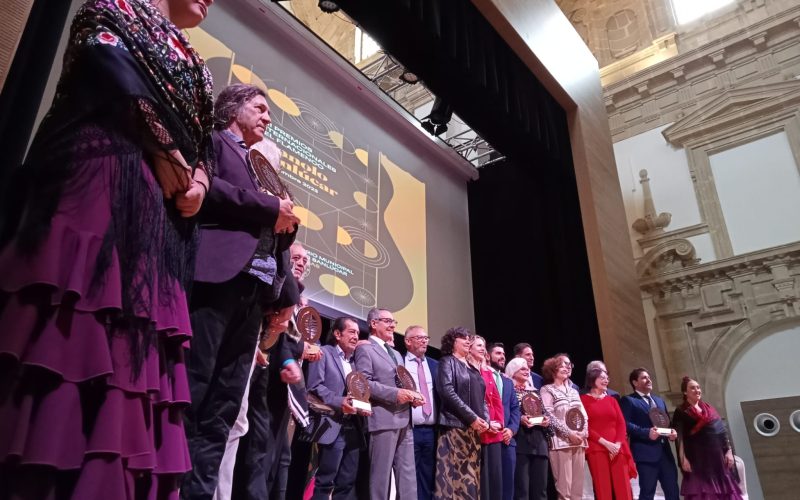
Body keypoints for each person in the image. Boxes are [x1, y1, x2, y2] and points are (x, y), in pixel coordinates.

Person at [0, 0, 214, 497]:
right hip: (97, 183)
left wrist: (198, 180)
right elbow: (107, 64)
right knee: (72, 326)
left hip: (157, 220)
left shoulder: (198, 64)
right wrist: (165, 149)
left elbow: (202, 142)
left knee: (133, 356)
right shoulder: (111, 6)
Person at [182, 83, 301, 499]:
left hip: (255, 293)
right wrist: (271, 209)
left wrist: (286, 223)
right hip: (217, 278)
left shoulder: (262, 164)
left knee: (226, 406)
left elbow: (277, 221)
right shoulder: (213, 142)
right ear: (234, 109)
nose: (268, 118)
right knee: (194, 389)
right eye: (260, 108)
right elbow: (208, 188)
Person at [354, 308, 421, 500]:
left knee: (408, 477)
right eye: (387, 321)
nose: (392, 325)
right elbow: (363, 383)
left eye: (394, 322)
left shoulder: (396, 354)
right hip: (382, 419)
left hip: (404, 419)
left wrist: (413, 396)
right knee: (380, 478)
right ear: (373, 324)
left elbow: (402, 382)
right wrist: (396, 394)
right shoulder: (365, 348)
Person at [306, 316, 366, 500]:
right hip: (332, 424)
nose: (356, 336)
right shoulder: (324, 353)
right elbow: (315, 386)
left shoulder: (355, 363)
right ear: (338, 334)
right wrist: (341, 402)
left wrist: (363, 406)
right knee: (326, 480)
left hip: (353, 427)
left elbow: (360, 393)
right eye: (351, 332)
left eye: (357, 332)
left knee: (347, 482)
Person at [434, 327, 489, 499]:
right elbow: (447, 392)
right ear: (452, 342)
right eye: (462, 338)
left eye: (469, 338)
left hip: (473, 431)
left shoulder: (473, 368)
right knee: (453, 481)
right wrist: (472, 418)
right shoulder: (447, 362)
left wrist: (485, 420)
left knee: (472, 480)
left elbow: (482, 399)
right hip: (454, 428)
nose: (468, 341)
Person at [673, 377, 742, 500]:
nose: (697, 390)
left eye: (698, 387)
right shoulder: (681, 411)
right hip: (697, 461)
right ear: (685, 392)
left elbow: (722, 432)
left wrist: (729, 451)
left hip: (718, 460)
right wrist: (683, 459)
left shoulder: (709, 408)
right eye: (692, 388)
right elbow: (680, 437)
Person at [619, 368, 679, 500]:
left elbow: (666, 423)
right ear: (635, 382)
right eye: (644, 378)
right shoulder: (629, 400)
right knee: (647, 493)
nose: (649, 380)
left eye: (649, 377)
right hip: (645, 455)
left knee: (673, 491)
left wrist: (672, 432)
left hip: (665, 455)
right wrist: (647, 433)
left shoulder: (659, 401)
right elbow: (625, 424)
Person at [580, 368, 636, 500]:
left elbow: (621, 424)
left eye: (607, 378)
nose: (606, 380)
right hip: (597, 447)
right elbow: (584, 425)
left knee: (624, 487)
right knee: (602, 487)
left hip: (617, 448)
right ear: (592, 380)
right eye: (602, 378)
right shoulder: (582, 400)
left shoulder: (612, 400)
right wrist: (606, 444)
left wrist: (616, 444)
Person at [540, 354, 588, 500]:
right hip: (560, 443)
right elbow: (549, 414)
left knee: (577, 489)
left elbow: (583, 414)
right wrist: (569, 434)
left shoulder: (574, 391)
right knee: (564, 489)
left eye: (569, 365)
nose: (567, 367)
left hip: (579, 441)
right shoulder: (547, 389)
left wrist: (584, 432)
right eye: (562, 365)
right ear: (553, 369)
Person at [506, 357, 551, 500]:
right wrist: (520, 419)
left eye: (528, 369)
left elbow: (543, 412)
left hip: (539, 443)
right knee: (522, 490)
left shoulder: (535, 391)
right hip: (521, 442)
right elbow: (507, 413)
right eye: (523, 369)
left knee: (541, 490)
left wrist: (546, 420)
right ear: (513, 371)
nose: (527, 371)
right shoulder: (508, 390)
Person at [403, 325, 439, 500]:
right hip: (409, 429)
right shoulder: (399, 363)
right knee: (409, 477)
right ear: (408, 341)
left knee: (428, 475)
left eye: (426, 338)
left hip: (432, 431)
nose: (425, 341)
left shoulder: (435, 365)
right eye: (420, 338)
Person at [471, 336, 505, 500]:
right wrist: (486, 423)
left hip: (494, 431)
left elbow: (496, 401)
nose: (483, 349)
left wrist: (499, 423)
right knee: (482, 477)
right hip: (479, 429)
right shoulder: (469, 370)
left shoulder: (487, 372)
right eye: (479, 345)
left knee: (496, 476)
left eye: (484, 346)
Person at [489, 342, 521, 500]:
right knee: (493, 485)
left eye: (503, 354)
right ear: (488, 356)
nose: (502, 357)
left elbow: (515, 408)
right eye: (498, 353)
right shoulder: (482, 376)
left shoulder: (508, 382)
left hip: (508, 440)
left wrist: (511, 429)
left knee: (508, 486)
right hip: (489, 437)